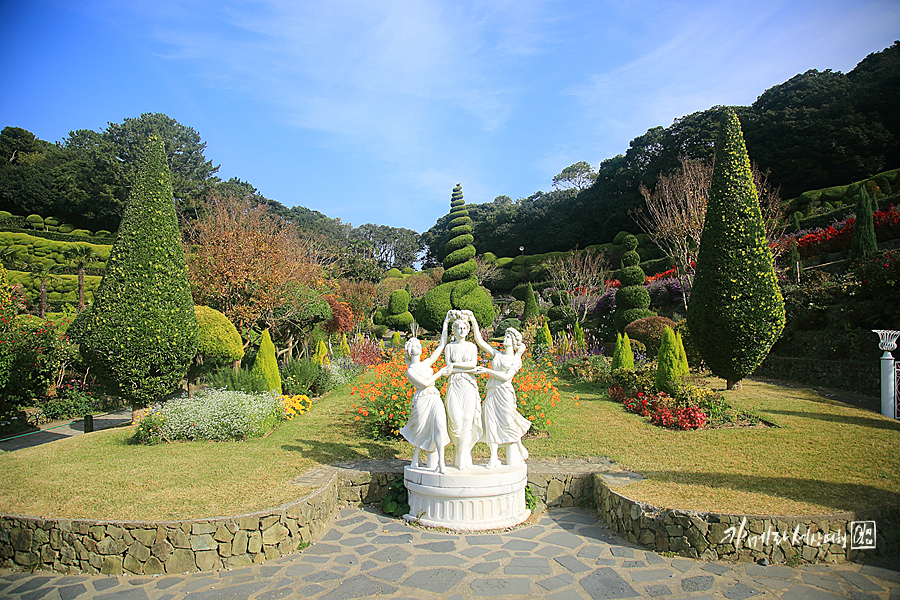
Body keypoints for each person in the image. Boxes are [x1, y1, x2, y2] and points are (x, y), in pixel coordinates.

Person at [471, 319, 531, 468]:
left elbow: (506, 377)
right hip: (492, 391)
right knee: (490, 422)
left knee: (508, 421)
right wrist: (473, 320)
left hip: (504, 393)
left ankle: (518, 445)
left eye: (508, 337)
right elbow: (480, 341)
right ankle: (493, 457)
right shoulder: (497, 355)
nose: (505, 338)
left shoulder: (515, 361)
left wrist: (487, 371)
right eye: (505, 336)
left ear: (514, 341)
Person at [399, 317, 451, 472]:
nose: (419, 346)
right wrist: (440, 373)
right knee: (421, 430)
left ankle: (441, 463)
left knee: (440, 426)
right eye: (415, 345)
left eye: (419, 344)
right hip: (422, 398)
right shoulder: (411, 370)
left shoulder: (425, 363)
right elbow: (424, 383)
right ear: (409, 350)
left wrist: (446, 323)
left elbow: (441, 346)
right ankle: (415, 459)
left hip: (434, 397)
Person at [443, 310, 483, 470]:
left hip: (468, 386)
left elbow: (473, 365)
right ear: (454, 330)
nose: (461, 331)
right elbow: (447, 368)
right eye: (458, 328)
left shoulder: (472, 347)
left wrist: (455, 365)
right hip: (454, 384)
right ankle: (459, 450)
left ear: (467, 330)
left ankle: (462, 454)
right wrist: (455, 367)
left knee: (468, 419)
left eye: (464, 328)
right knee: (455, 420)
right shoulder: (449, 348)